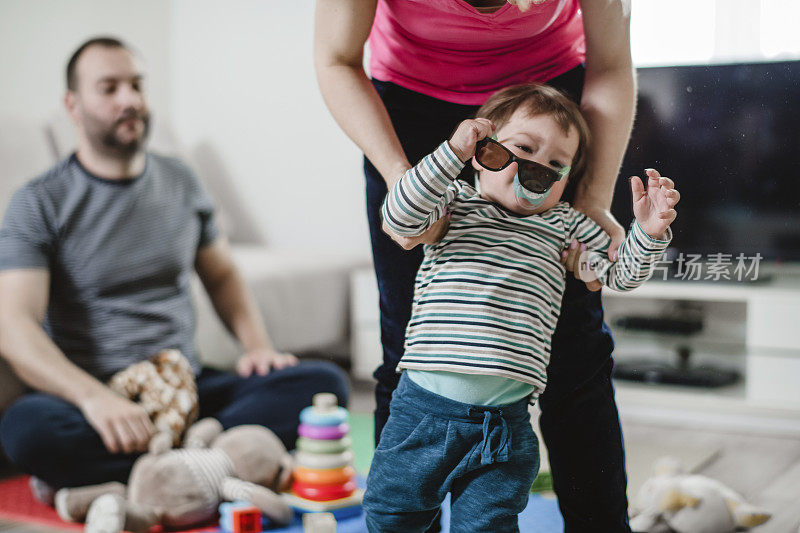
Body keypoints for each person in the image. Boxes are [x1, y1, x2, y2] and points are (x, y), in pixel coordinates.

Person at [314, 0, 636, 530]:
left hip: (551, 111)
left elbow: (612, 64)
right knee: (408, 336)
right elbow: (336, 58)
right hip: (412, 112)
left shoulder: (555, 180)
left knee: (576, 348)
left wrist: (595, 198)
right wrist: (404, 178)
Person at [0, 37, 348, 491]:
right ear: (73, 104)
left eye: (136, 85)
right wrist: (95, 400)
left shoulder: (181, 180)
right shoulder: (38, 202)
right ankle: (213, 463)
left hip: (188, 390)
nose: (130, 100)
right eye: (109, 88)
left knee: (323, 385)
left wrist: (257, 346)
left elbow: (221, 273)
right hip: (99, 396)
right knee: (26, 431)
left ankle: (161, 470)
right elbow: (15, 327)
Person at [363, 83, 678, 532]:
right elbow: (399, 216)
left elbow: (619, 275)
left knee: (490, 525)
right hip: (422, 412)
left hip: (505, 427)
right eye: (524, 149)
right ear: (482, 153)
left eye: (555, 164)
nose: (537, 169)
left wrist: (647, 234)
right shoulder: (455, 205)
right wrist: (451, 153)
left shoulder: (565, 227)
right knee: (395, 516)